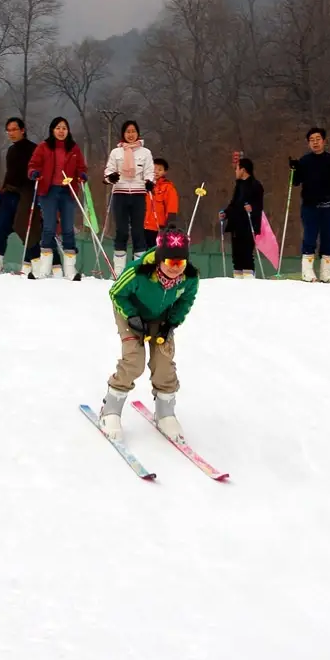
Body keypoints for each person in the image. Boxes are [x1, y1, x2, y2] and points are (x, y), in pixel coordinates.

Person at [98, 226, 199, 441]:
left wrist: (171, 323)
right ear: (160, 259)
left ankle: (165, 413)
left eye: (180, 263)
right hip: (130, 313)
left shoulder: (189, 278)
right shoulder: (138, 271)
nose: (175, 268)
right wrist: (132, 316)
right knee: (134, 360)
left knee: (163, 362)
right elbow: (116, 293)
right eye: (170, 262)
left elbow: (185, 301)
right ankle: (111, 409)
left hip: (161, 317)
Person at [27, 116, 88, 280]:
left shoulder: (73, 148)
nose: (61, 131)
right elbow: (33, 164)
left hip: (67, 191)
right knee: (49, 227)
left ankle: (70, 270)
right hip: (48, 191)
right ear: (52, 130)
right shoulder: (44, 147)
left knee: (68, 228)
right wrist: (34, 173)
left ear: (68, 131)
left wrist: (81, 174)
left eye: (64, 128)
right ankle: (44, 269)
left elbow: (81, 167)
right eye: (58, 128)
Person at [0, 117, 42, 277]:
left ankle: (35, 263)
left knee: (27, 228)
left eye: (14, 129)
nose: (11, 133)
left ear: (22, 130)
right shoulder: (11, 150)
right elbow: (9, 174)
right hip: (9, 193)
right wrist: (1, 191)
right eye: (8, 130)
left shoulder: (34, 149)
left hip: (26, 193)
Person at [289, 128, 330, 282]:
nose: (315, 142)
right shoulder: (304, 161)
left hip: (328, 205)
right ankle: (307, 272)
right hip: (310, 206)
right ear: (308, 143)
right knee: (310, 237)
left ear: (324, 141)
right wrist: (294, 169)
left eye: (318, 139)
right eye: (312, 140)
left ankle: (326, 273)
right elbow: (295, 182)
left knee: (328, 238)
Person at [104, 120, 155, 276]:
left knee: (138, 231)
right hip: (120, 193)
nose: (131, 135)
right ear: (123, 134)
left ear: (138, 133)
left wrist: (149, 182)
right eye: (128, 132)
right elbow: (108, 172)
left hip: (139, 194)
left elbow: (149, 172)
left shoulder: (145, 152)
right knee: (122, 230)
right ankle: (119, 270)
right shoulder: (116, 152)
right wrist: (110, 178)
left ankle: (139, 269)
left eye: (133, 131)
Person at [219, 157, 264, 278]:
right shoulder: (238, 185)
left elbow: (259, 205)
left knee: (247, 255)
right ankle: (237, 280)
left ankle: (248, 281)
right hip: (236, 225)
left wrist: (252, 208)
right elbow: (234, 204)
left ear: (243, 170)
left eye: (237, 169)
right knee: (237, 256)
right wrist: (226, 213)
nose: (236, 171)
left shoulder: (255, 185)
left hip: (248, 225)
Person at [144, 157, 179, 248]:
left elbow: (171, 207)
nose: (156, 171)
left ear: (164, 172)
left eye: (160, 170)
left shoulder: (168, 188)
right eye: (154, 168)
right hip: (142, 226)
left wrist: (170, 225)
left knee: (154, 254)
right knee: (139, 253)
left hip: (157, 227)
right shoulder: (143, 184)